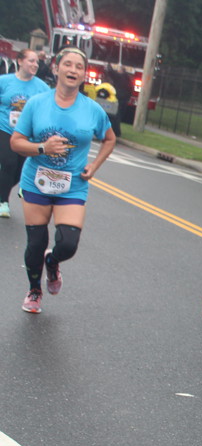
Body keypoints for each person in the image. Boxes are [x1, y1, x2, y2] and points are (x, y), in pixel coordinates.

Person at [10, 47, 115, 314]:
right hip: (37, 181)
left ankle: (53, 262)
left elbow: (109, 138)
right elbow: (16, 142)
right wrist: (43, 148)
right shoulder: (37, 103)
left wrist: (94, 165)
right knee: (35, 243)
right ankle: (35, 290)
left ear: (84, 74)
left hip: (73, 185)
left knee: (68, 243)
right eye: (67, 64)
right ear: (56, 69)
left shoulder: (92, 109)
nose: (73, 70)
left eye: (79, 67)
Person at [0, 49, 52, 219]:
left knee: (19, 171)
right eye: (31, 61)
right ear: (20, 61)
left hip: (26, 135)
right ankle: (3, 202)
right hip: (5, 128)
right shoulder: (4, 81)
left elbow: (47, 110)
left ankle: (2, 190)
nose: (35, 65)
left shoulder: (42, 88)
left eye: (37, 62)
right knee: (8, 162)